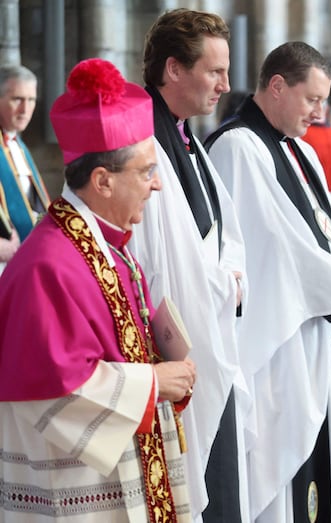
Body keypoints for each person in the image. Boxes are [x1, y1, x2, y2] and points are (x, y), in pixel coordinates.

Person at [0, 58, 195, 521]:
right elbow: (52, 391)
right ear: (103, 181)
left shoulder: (108, 244)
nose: (158, 184)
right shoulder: (49, 265)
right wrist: (154, 383)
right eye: (146, 171)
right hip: (77, 488)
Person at [205, 41, 331, 523]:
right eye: (312, 99)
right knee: (279, 482)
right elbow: (275, 243)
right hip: (277, 343)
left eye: (323, 100)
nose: (320, 112)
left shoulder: (300, 150)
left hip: (312, 334)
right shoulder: (238, 145)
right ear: (276, 87)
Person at [132, 8, 247, 521]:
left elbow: (222, 232)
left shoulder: (184, 135)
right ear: (174, 69)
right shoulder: (143, 142)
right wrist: (223, 282)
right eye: (214, 71)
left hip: (213, 316)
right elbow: (157, 253)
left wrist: (229, 280)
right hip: (180, 332)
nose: (225, 84)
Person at [0, 64, 50, 270]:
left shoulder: (19, 147)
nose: (25, 110)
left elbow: (34, 206)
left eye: (31, 100)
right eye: (17, 99)